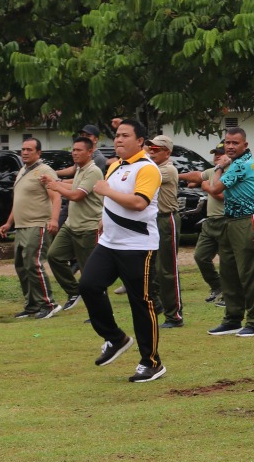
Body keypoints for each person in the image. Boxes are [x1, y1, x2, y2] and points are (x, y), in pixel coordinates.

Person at [81, 120, 166, 382]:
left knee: (141, 303)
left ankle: (151, 362)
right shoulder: (115, 166)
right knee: (88, 286)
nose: (118, 140)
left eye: (125, 135)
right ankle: (115, 338)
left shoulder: (148, 169)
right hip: (109, 243)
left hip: (138, 246)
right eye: (117, 135)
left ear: (140, 141)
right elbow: (114, 202)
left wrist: (106, 191)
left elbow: (139, 203)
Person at [204, 127, 254, 338]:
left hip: (246, 221)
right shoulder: (237, 163)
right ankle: (232, 319)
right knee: (229, 271)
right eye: (227, 143)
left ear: (245, 145)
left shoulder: (240, 164)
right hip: (230, 221)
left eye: (235, 143)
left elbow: (214, 189)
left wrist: (218, 168)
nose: (230, 147)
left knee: (249, 272)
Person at [43, 137, 105, 315]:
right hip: (71, 225)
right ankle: (74, 291)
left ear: (90, 151)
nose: (75, 153)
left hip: (88, 228)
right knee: (54, 255)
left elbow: (77, 195)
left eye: (79, 150)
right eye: (74, 150)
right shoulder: (80, 170)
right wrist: (55, 181)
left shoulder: (93, 171)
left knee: (90, 273)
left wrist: (55, 187)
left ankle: (99, 311)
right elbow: (74, 184)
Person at [0, 137, 58, 319]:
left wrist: (54, 220)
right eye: (23, 149)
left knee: (33, 263)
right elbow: (18, 202)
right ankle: (32, 304)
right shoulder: (23, 171)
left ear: (38, 153)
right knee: (21, 266)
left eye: (29, 150)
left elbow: (56, 197)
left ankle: (48, 304)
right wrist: (9, 223)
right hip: (21, 226)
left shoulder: (45, 171)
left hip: (37, 224)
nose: (24, 152)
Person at [147, 135, 185, 328]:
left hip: (166, 218)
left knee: (167, 268)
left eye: (156, 149)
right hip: (153, 220)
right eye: (150, 148)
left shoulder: (167, 169)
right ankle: (159, 305)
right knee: (151, 267)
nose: (151, 152)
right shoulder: (152, 167)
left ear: (167, 152)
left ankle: (174, 315)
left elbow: (145, 178)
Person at [184, 147, 227, 304]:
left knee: (227, 260)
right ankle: (217, 286)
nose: (217, 156)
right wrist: (177, 175)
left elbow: (222, 195)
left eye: (220, 154)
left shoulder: (232, 172)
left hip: (226, 220)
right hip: (210, 221)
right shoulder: (212, 171)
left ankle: (229, 295)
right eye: (215, 154)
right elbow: (196, 175)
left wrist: (206, 187)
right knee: (200, 256)